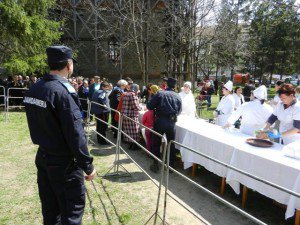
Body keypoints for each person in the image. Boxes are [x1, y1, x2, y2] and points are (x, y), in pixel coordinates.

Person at [23, 45, 96, 225]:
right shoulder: (62, 92)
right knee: (71, 213)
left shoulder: (35, 88)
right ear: (69, 65)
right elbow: (75, 133)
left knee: (50, 211)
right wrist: (87, 165)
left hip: (44, 157)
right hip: (64, 164)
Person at [147, 77, 182, 173]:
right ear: (175, 86)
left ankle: (155, 164)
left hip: (160, 121)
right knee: (171, 144)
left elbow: (149, 106)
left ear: (166, 85)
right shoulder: (178, 96)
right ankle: (170, 165)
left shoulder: (160, 93)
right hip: (171, 122)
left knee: (156, 142)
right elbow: (179, 111)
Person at [121, 83, 142, 150]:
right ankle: (134, 146)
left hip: (125, 114)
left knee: (128, 131)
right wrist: (141, 108)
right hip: (131, 115)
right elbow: (135, 106)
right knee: (135, 131)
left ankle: (130, 145)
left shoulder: (126, 94)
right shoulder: (133, 95)